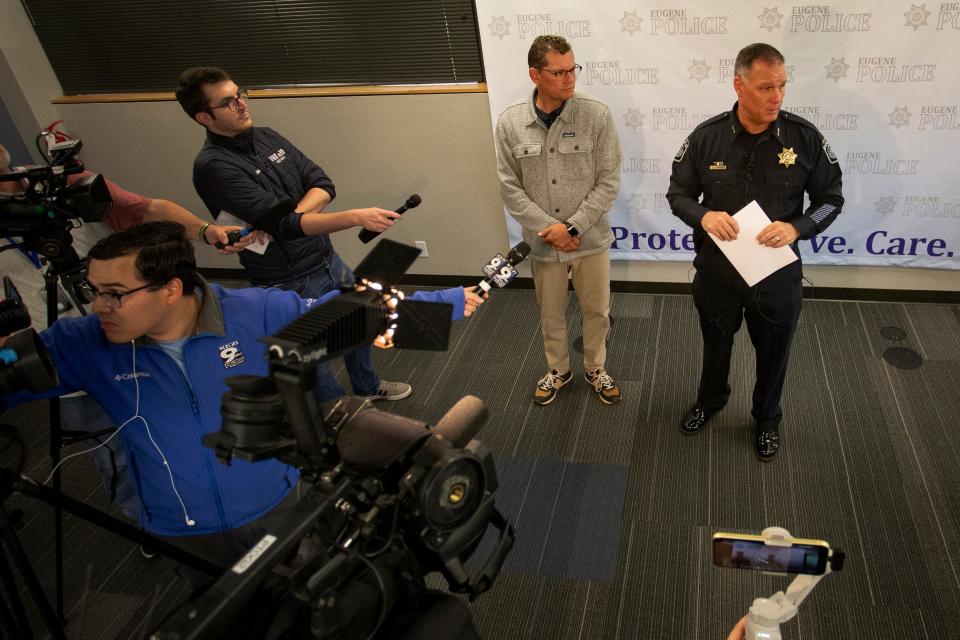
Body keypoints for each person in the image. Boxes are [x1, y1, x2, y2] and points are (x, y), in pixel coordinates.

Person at [2, 222, 483, 566]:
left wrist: (451, 302)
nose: (98, 306)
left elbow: (349, 313)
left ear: (171, 288)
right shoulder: (83, 342)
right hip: (178, 526)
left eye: (115, 293)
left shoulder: (257, 312)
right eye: (94, 290)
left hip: (275, 507)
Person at [175, 66, 411, 404]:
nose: (242, 105)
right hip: (286, 279)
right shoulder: (213, 166)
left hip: (326, 258)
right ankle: (338, 416)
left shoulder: (268, 135)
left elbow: (322, 184)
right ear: (203, 116)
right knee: (316, 359)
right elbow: (287, 227)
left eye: (241, 94)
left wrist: (293, 219)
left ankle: (368, 388)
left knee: (361, 319)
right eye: (228, 102)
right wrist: (355, 217)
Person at [666, 43, 844, 460]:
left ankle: (766, 418)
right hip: (718, 272)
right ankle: (710, 401)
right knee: (715, 345)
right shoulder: (707, 137)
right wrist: (704, 217)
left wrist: (797, 227)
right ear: (739, 85)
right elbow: (678, 194)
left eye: (782, 86)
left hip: (776, 275)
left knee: (774, 352)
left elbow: (830, 200)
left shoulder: (805, 138)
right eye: (765, 87)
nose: (776, 97)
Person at [494, 35, 623, 407]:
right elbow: (509, 187)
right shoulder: (510, 123)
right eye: (560, 72)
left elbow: (609, 178)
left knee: (597, 310)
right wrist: (549, 229)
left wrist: (573, 227)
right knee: (550, 311)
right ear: (535, 74)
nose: (570, 78)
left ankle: (596, 367)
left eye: (573, 69)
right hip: (543, 242)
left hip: (590, 239)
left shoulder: (595, 114)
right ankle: (559, 369)